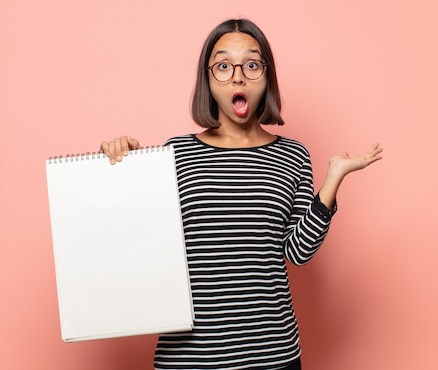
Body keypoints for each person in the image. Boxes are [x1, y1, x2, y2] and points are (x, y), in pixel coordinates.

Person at [100, 18, 382, 370]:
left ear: (267, 76)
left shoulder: (292, 155)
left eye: (251, 64)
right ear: (207, 79)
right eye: (223, 65)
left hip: (273, 355)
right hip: (189, 359)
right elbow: (137, 242)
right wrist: (121, 166)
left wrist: (332, 182)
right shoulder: (174, 153)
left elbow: (297, 252)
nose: (238, 76)